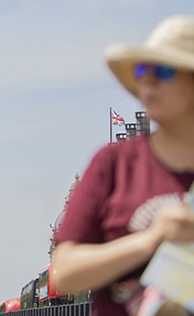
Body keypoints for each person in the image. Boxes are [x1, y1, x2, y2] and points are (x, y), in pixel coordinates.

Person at [52, 16, 194, 316]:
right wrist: (152, 238)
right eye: (143, 70)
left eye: (165, 70)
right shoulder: (113, 164)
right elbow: (64, 272)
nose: (148, 81)